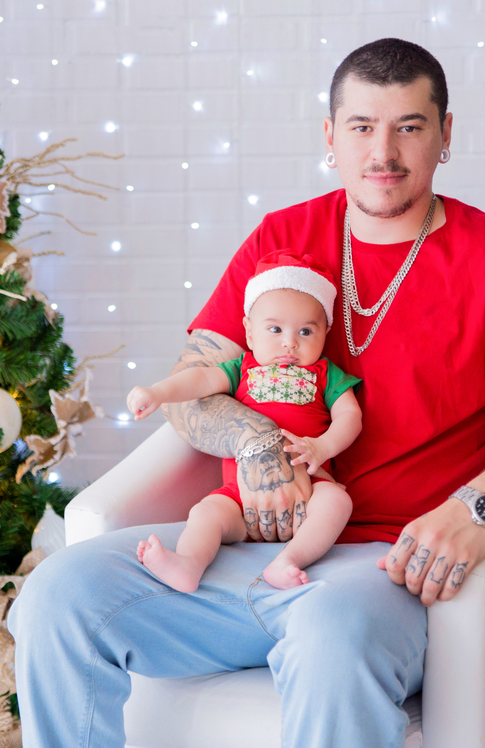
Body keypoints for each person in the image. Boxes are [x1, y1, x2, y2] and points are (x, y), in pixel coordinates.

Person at [9, 37, 485, 747]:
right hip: (239, 547)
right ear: (329, 137)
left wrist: (477, 509)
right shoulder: (283, 238)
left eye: (409, 127)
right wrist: (256, 440)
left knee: (330, 633)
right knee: (58, 596)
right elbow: (192, 386)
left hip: (387, 570)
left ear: (445, 136)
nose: (382, 153)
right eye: (362, 127)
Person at [126, 251, 362, 591]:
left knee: (338, 502)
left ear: (326, 331)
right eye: (275, 329)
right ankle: (188, 565)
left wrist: (322, 446)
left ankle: (288, 561)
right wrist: (159, 392)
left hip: (308, 492)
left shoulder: (325, 374)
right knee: (205, 513)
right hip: (238, 497)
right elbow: (199, 380)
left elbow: (349, 416)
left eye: (306, 331)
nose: (289, 342)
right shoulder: (242, 369)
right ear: (250, 333)